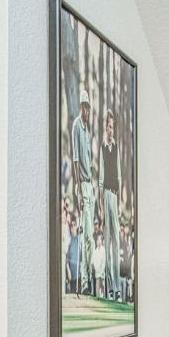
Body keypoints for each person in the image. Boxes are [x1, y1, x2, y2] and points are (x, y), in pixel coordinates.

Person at [71, 88, 97, 295]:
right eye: (84, 106)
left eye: (88, 107)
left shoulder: (88, 131)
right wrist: (78, 191)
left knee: (90, 237)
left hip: (91, 185)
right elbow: (76, 161)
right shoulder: (76, 127)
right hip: (83, 186)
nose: (86, 110)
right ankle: (85, 282)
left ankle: (88, 280)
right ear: (81, 107)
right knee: (85, 235)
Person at [99, 107, 122, 300]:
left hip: (114, 196)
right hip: (105, 195)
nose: (110, 130)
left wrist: (120, 202)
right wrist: (100, 206)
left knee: (116, 243)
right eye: (108, 127)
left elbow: (120, 175)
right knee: (107, 243)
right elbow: (100, 178)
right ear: (104, 128)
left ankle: (116, 287)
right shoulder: (103, 148)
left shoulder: (116, 149)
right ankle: (109, 288)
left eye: (112, 127)